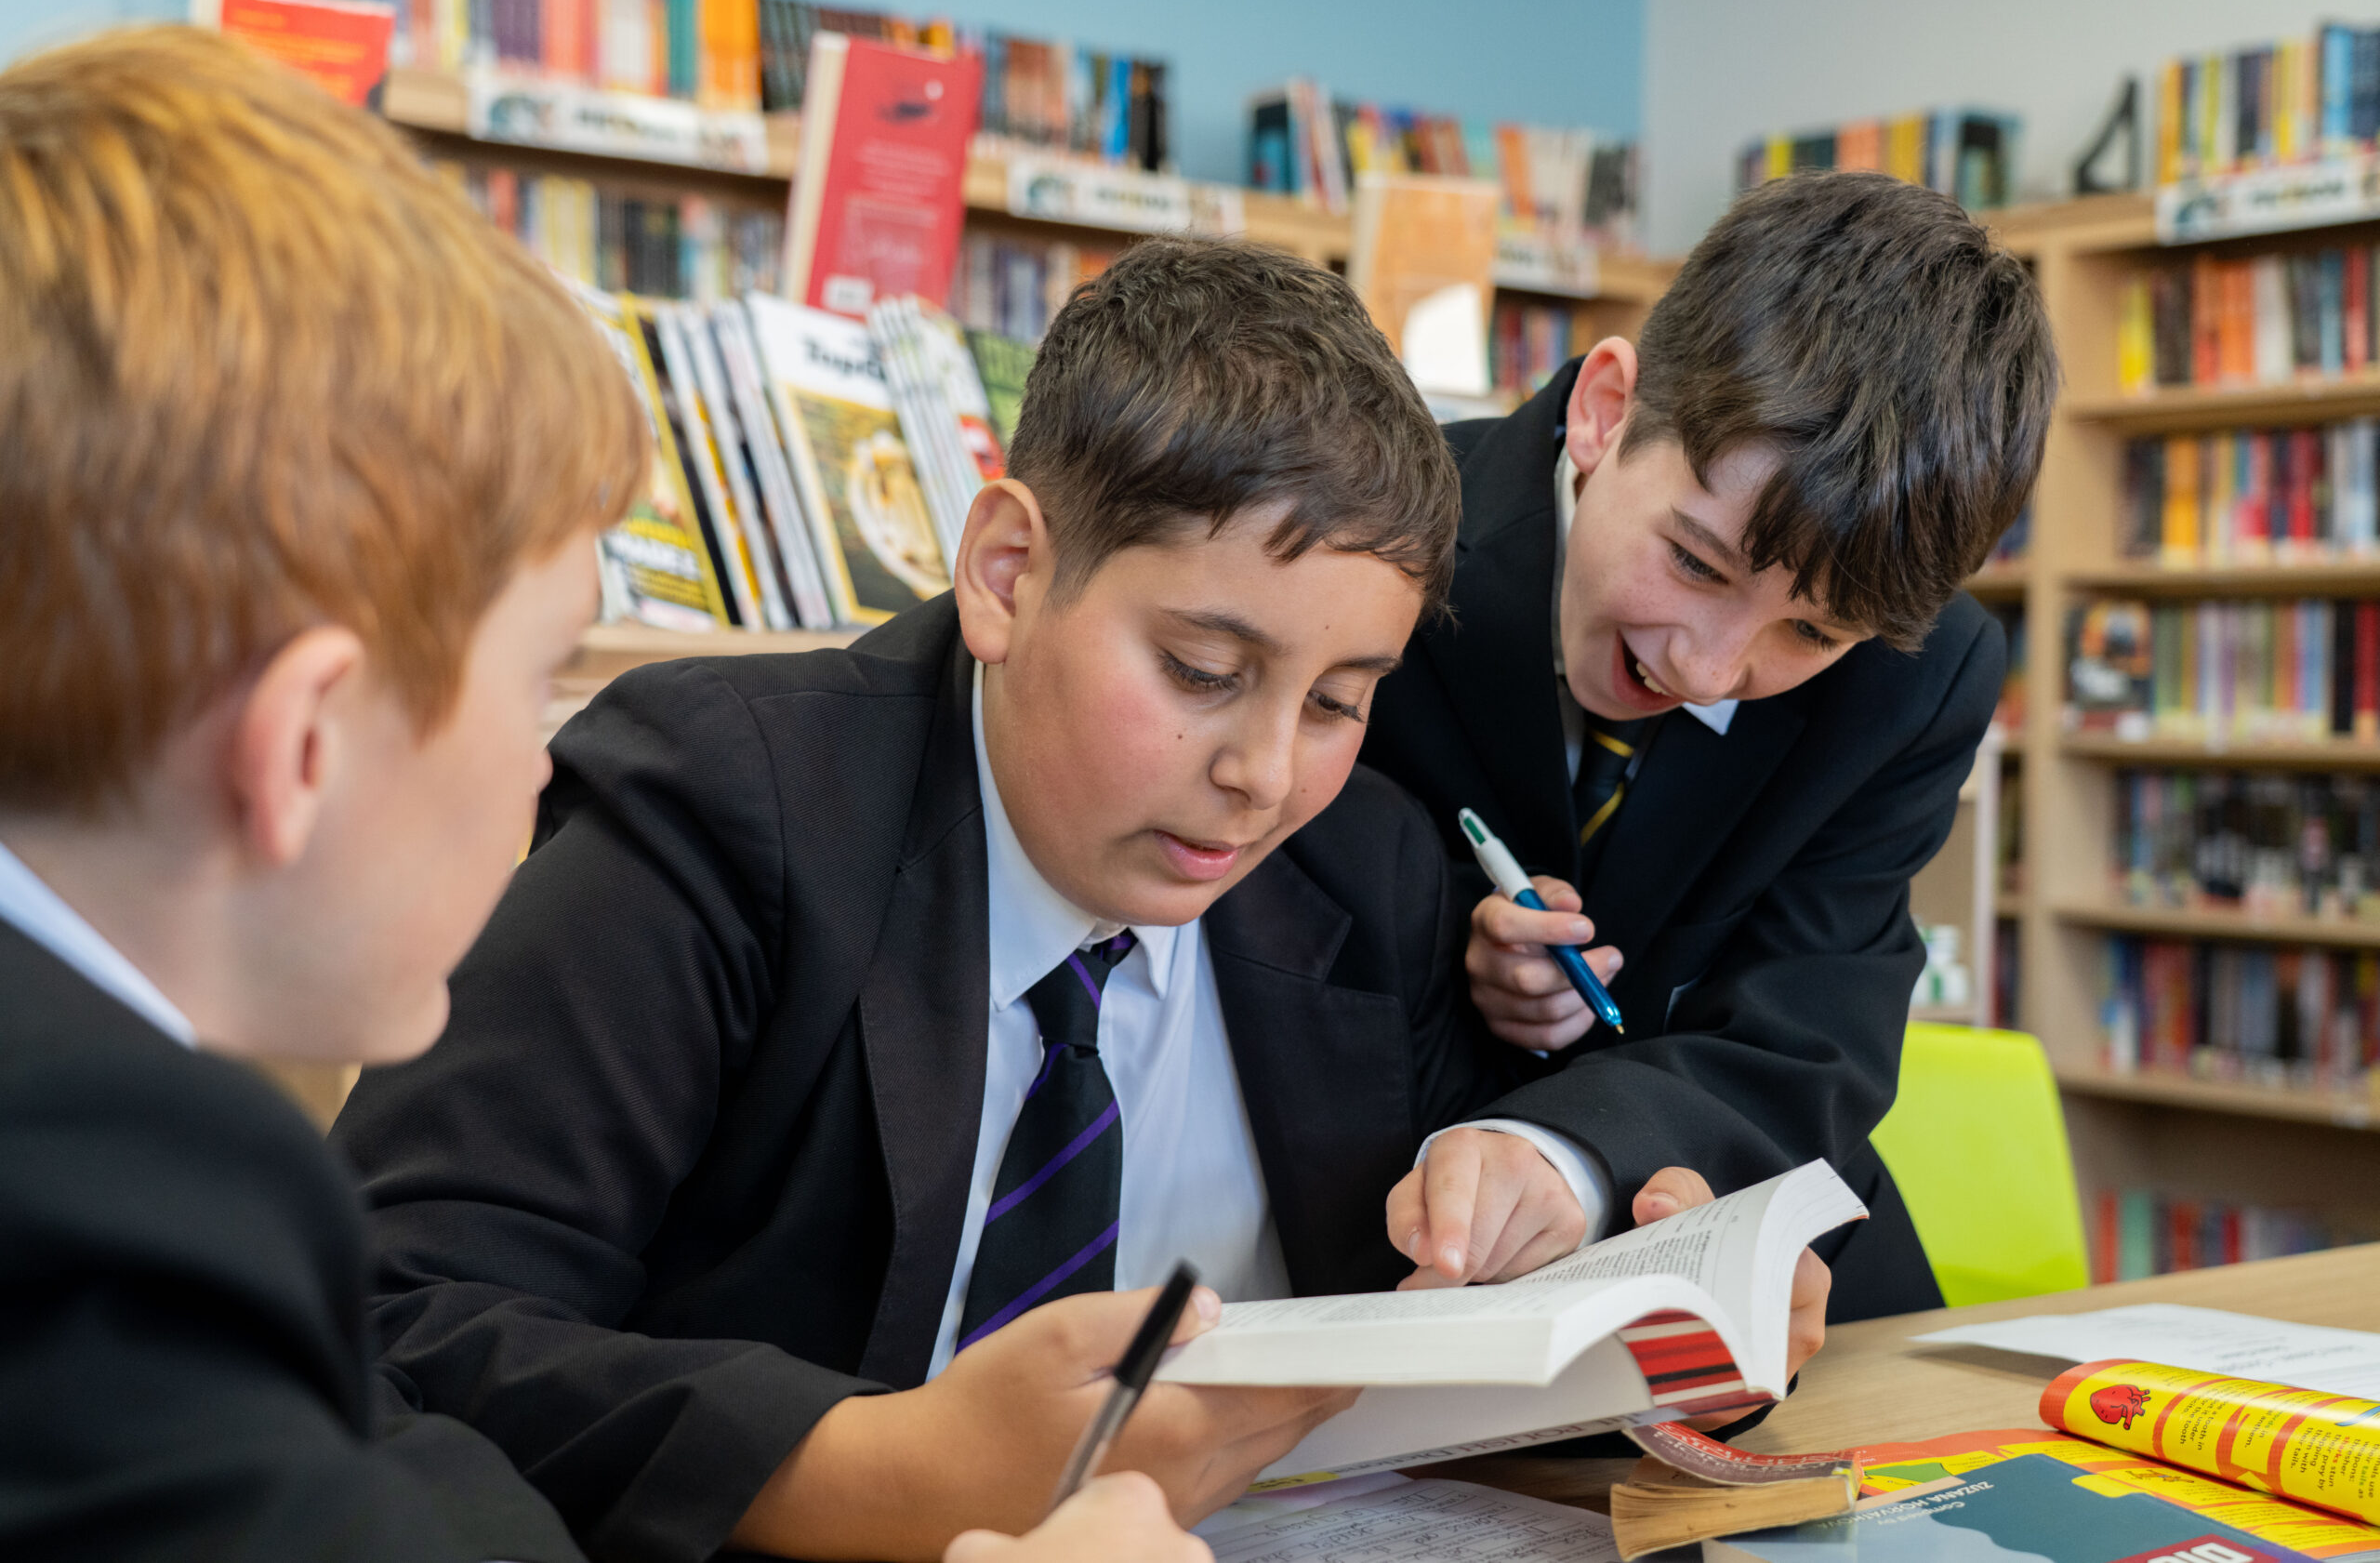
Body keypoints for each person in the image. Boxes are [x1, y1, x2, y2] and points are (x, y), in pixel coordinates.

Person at [330, 235, 1829, 1563]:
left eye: (1340, 698)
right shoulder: (724, 806)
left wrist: (1656, 1324)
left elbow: (1450, 1317)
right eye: (1201, 670)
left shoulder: (1363, 869)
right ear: (1005, 571)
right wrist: (875, 1467)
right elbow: (396, 1314)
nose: (1263, 776)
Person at [0, 25, 1207, 1563]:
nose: (541, 763)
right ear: (304, 743)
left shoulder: (139, 1163)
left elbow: (388, 1466)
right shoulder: (98, 1235)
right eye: (536, 679)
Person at [1358, 170, 2059, 1323]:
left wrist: (1576, 1157)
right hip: (1390, 1240)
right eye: (1693, 562)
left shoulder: (1918, 677)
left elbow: (1811, 1029)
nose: (1707, 670)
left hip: (1742, 1232)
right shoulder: (1380, 529)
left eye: (1810, 633)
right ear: (1604, 412)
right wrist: (1455, 955)